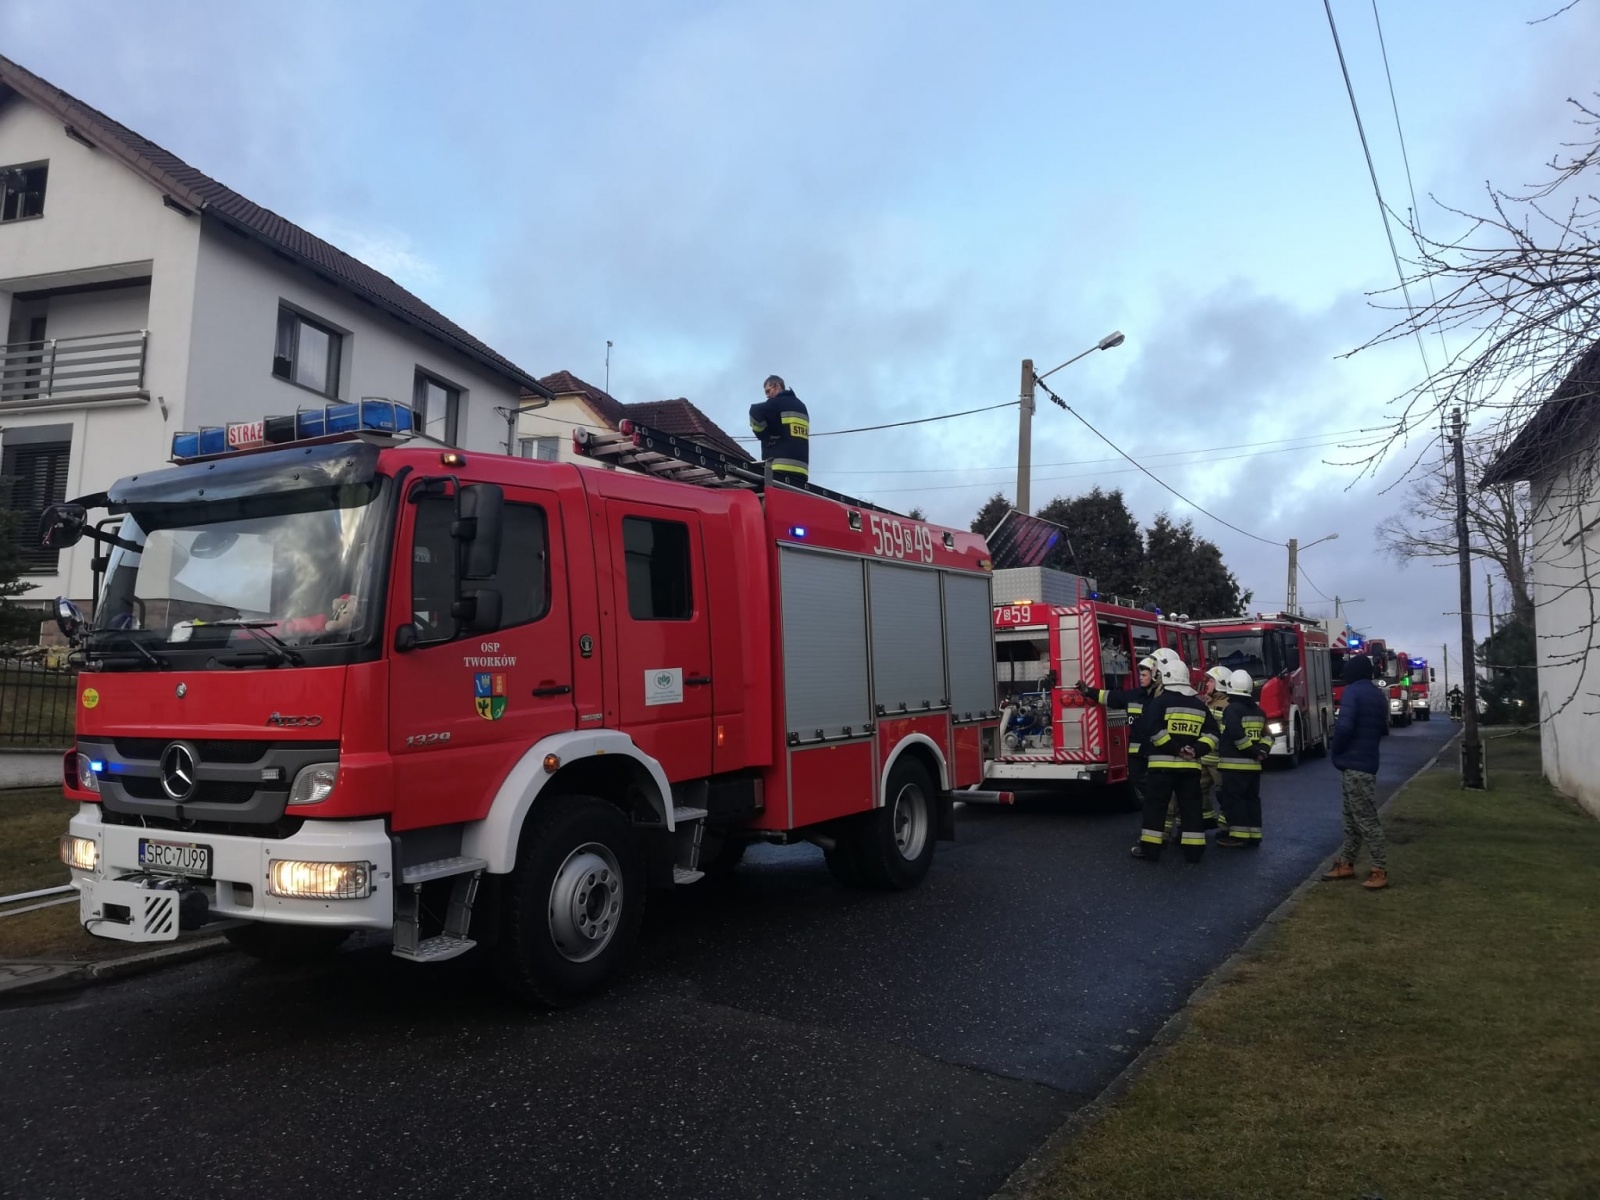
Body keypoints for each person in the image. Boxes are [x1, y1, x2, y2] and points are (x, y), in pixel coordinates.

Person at [1131, 654, 1219, 864]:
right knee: (1191, 808)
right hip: (1190, 768)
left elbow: (1153, 731)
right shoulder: (1199, 706)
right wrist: (1195, 750)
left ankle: (1150, 850)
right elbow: (1213, 735)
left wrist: (1175, 749)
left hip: (1161, 768)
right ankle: (1194, 851)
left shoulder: (1159, 703)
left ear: (1167, 677)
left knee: (1155, 808)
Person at [1323, 653, 1391, 889]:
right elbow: (1382, 729)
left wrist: (1336, 751)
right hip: (1368, 762)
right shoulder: (1377, 695)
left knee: (1363, 820)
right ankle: (1346, 862)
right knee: (1352, 818)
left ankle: (1379, 869)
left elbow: (1344, 727)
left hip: (1354, 764)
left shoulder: (1352, 692)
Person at [1079, 654, 1159, 812]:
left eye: (1144, 675)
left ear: (1155, 675)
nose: (1140, 678)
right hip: (1137, 751)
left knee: (1158, 781)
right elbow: (1111, 697)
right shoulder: (1134, 695)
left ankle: (1157, 808)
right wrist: (1089, 691)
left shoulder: (1162, 697)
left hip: (1156, 748)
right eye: (1140, 675)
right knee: (1137, 781)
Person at [1215, 669, 1272, 847]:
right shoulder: (1259, 711)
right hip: (1254, 767)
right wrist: (1262, 751)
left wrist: (1254, 752)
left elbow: (1236, 735)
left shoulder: (1232, 710)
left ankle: (1238, 836)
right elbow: (1268, 736)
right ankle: (1254, 835)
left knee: (1235, 800)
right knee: (1252, 800)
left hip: (1234, 767)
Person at [748, 375, 810, 484]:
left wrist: (764, 435)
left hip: (779, 467)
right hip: (801, 471)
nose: (768, 396)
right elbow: (787, 430)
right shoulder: (802, 406)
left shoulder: (777, 403)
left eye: (768, 391)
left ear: (777, 386)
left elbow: (754, 411)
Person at [1198, 665, 1232, 834]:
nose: (1207, 684)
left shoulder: (1227, 706)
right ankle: (1207, 818)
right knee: (1198, 789)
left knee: (1224, 794)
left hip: (1219, 760)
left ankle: (1227, 827)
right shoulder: (1208, 703)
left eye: (1211, 681)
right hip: (1204, 758)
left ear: (1220, 683)